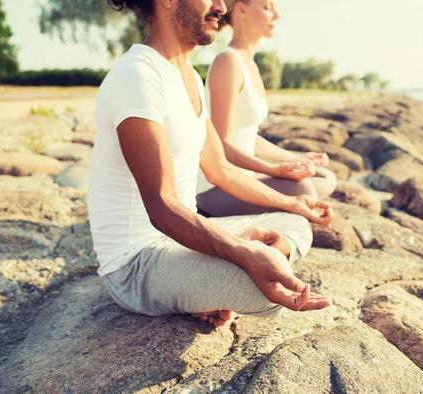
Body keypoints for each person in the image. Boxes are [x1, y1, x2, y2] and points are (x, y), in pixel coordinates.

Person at [87, 0, 334, 328]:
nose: (221, 6)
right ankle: (209, 279)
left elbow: (220, 169)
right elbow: (161, 205)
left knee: (296, 224)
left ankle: (206, 282)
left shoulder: (187, 74)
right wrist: (243, 253)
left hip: (179, 238)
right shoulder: (138, 76)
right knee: (266, 289)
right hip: (136, 265)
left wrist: (293, 202)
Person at [196, 0, 337, 217]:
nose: (277, 16)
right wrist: (272, 170)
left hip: (247, 177)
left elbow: (246, 136)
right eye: (268, 8)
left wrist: (296, 158)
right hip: (217, 187)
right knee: (305, 190)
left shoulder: (249, 64)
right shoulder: (228, 63)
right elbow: (221, 145)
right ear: (241, 10)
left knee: (325, 178)